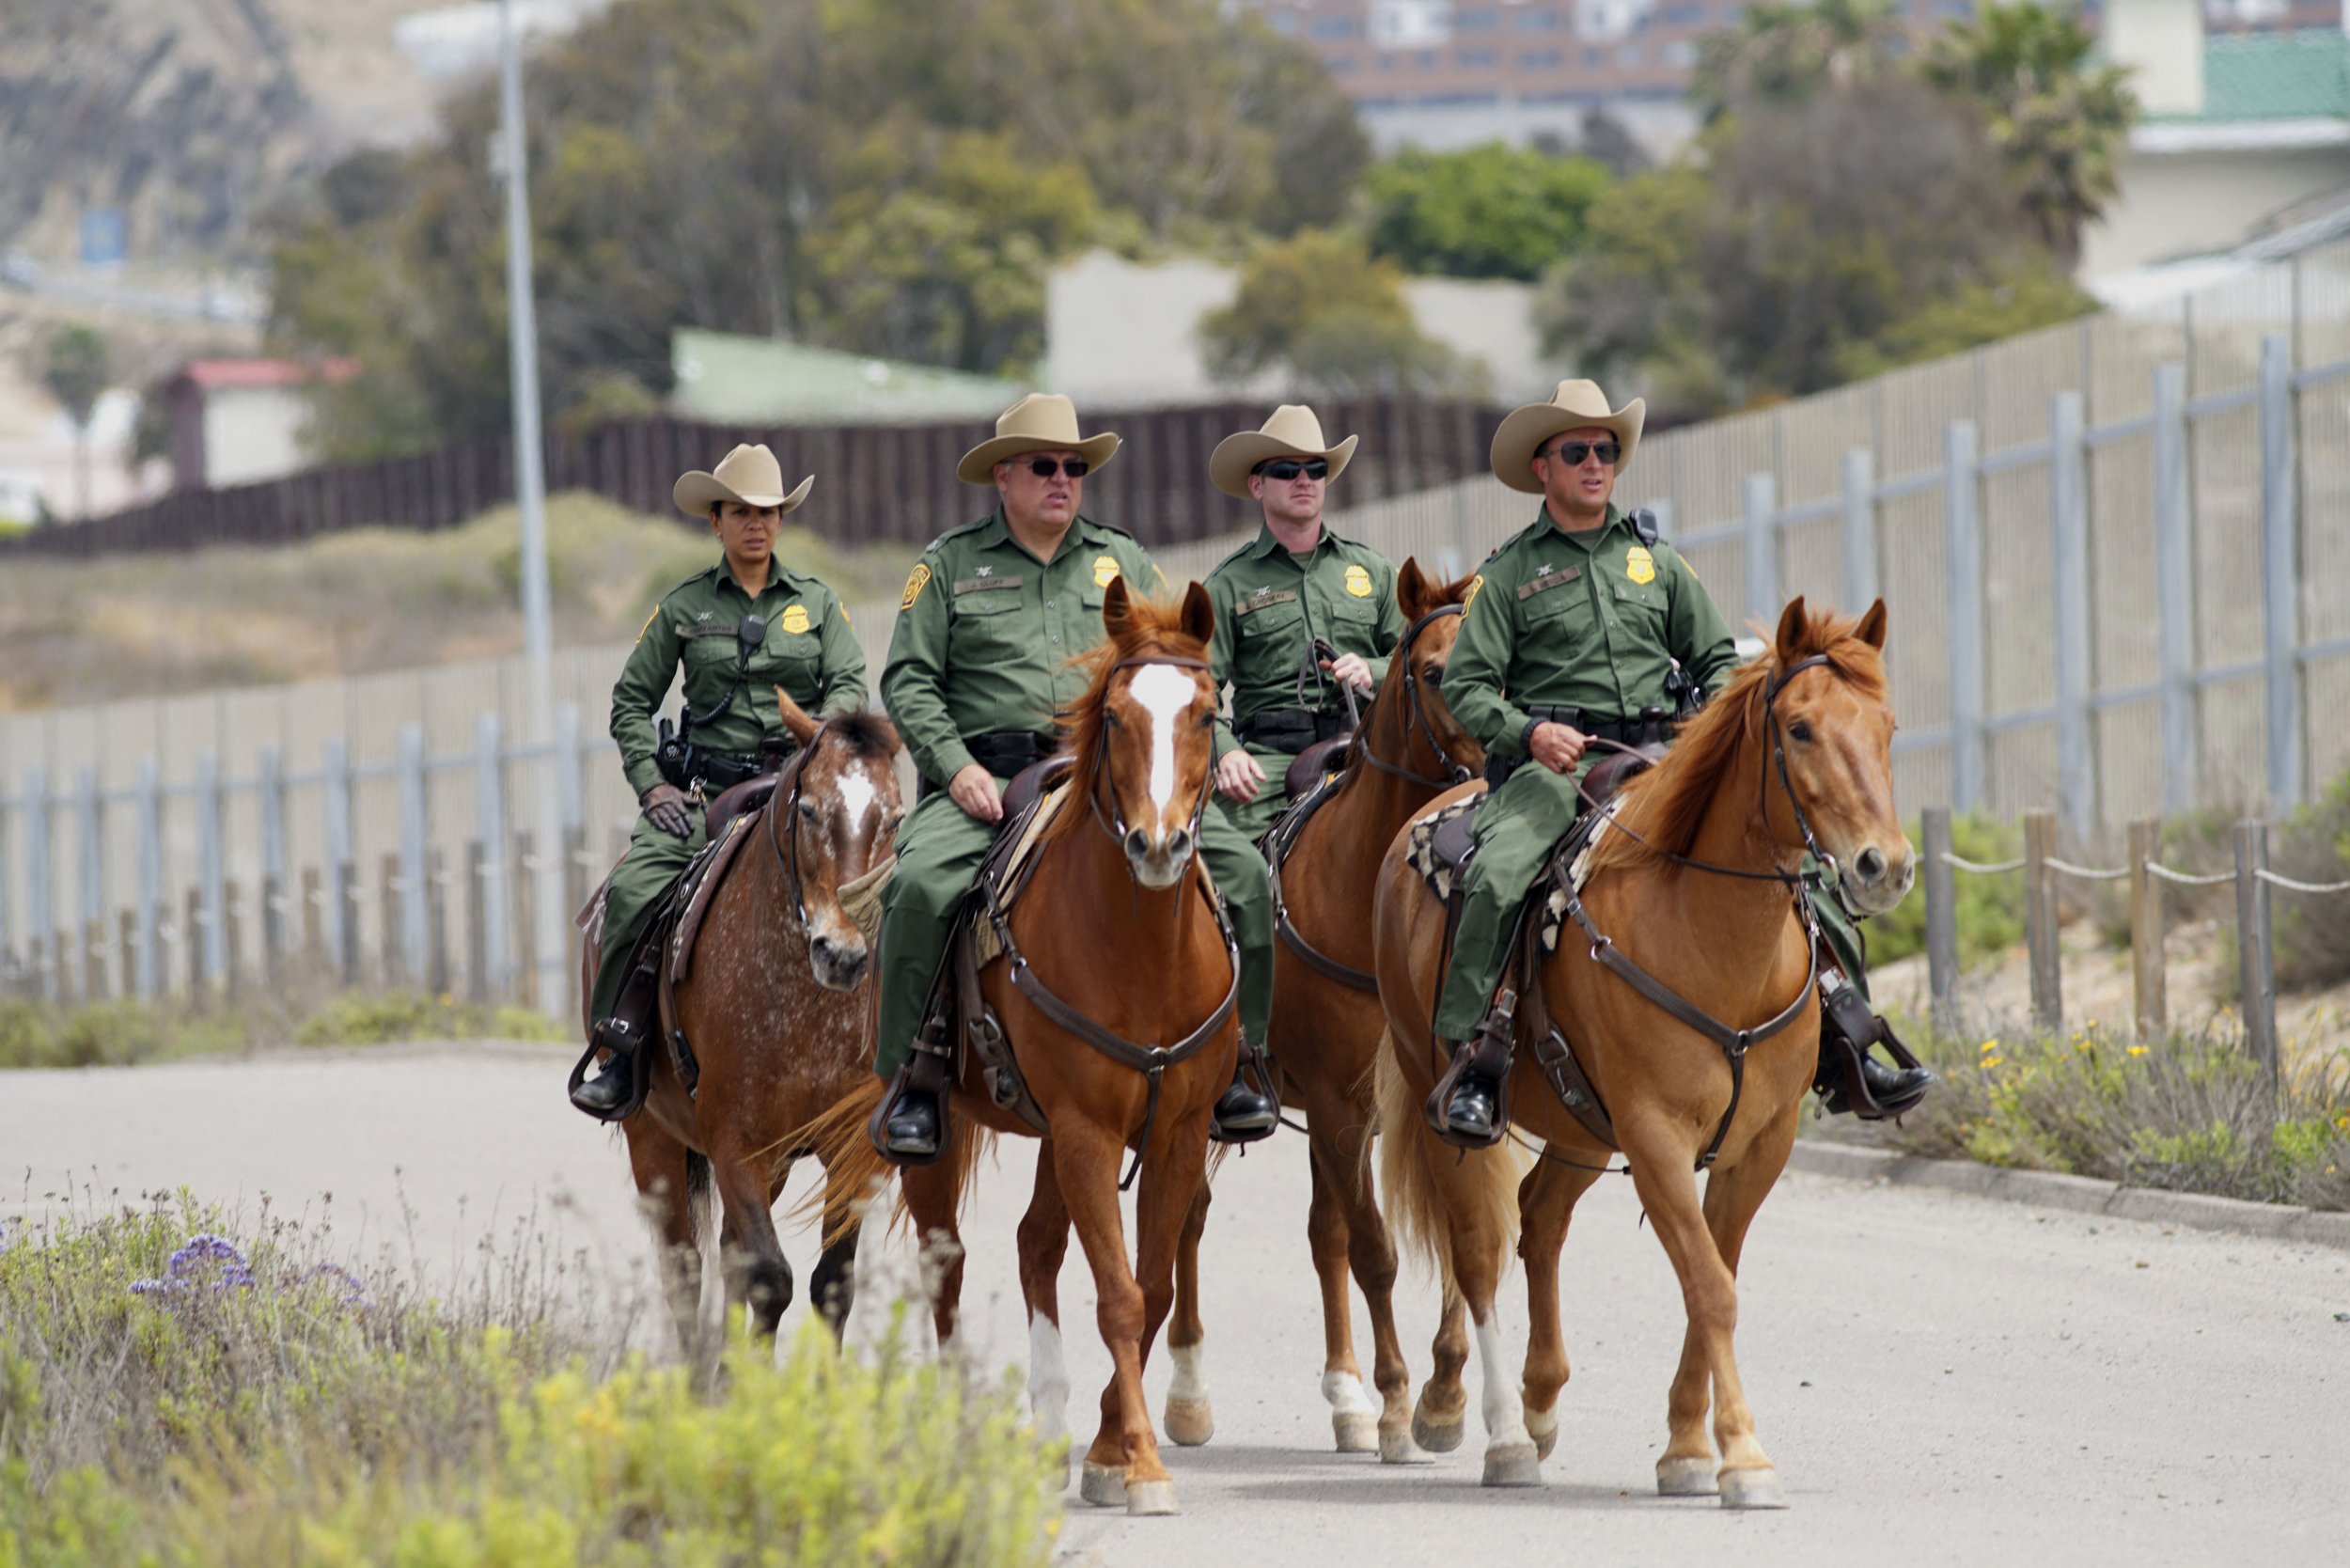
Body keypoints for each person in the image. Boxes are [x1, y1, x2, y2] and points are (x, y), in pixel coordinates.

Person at [1429, 381, 1935, 1145]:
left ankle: (1846, 1038)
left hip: (1657, 752)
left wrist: (1703, 734)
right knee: (1500, 871)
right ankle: (1479, 1055)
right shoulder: (1508, 576)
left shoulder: (1657, 564)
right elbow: (1464, 686)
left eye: (1606, 451)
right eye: (1578, 452)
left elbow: (1713, 664)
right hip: (1550, 768)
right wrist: (1529, 732)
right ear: (1544, 468)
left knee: (1789, 864)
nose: (1596, 463)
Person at [869, 393, 1278, 1161]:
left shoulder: (1122, 559)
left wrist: (1214, 745)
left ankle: (1239, 1063)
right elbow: (910, 682)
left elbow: (1180, 666)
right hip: (991, 778)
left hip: (1110, 773)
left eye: (1074, 467)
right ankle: (913, 1077)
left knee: (1249, 878)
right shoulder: (948, 564)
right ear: (1003, 477)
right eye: (1044, 466)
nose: (1063, 479)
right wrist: (955, 770)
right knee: (920, 888)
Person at [570, 444, 869, 1120]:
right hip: (707, 798)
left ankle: (893, 1055)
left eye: (767, 512)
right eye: (740, 512)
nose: (755, 524)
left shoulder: (819, 605)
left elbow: (850, 684)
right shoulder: (682, 608)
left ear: (781, 521)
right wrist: (654, 789)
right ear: (716, 522)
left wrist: (820, 737)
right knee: (635, 891)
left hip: (800, 791)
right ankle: (620, 1048)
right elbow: (629, 703)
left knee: (881, 884)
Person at [1202, 405, 1402, 843]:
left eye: (1315, 468)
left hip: (1369, 749)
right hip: (1269, 762)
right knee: (1223, 862)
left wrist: (1374, 669)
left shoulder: (1374, 571)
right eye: (1286, 470)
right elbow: (1197, 688)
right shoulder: (1227, 585)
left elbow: (1421, 659)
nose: (1304, 479)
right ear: (1257, 484)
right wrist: (1225, 752)